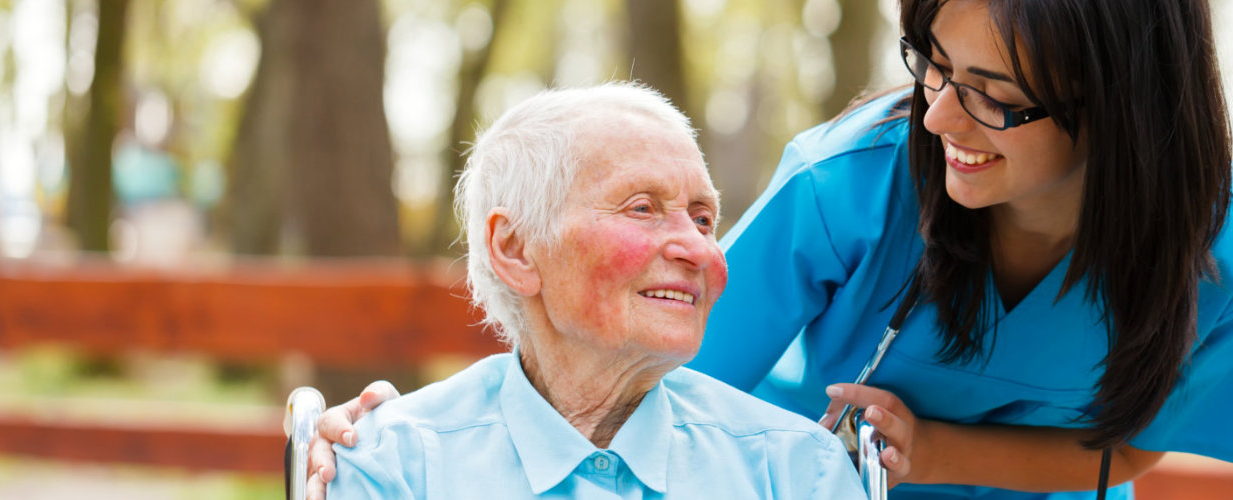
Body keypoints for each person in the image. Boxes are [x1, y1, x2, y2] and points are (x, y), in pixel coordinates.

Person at [313, 0, 1233, 498]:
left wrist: (932, 445)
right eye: (934, 67)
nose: (941, 114)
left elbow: (1136, 440)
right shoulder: (851, 182)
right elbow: (627, 364)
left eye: (993, 94)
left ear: (1118, 112)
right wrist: (420, 437)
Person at [320, 82, 867, 499]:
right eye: (643, 209)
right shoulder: (396, 466)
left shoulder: (796, 470)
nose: (699, 251)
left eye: (703, 219)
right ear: (514, 249)